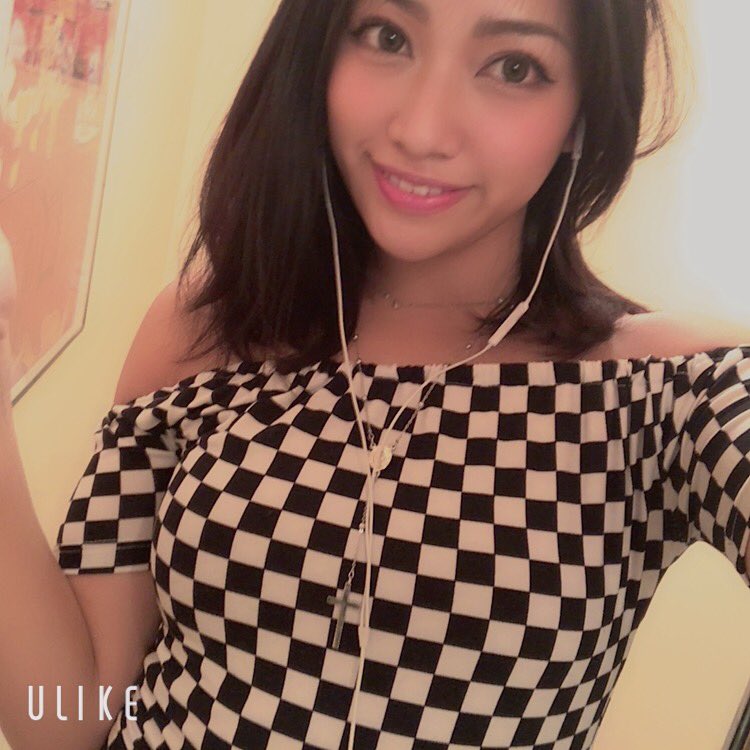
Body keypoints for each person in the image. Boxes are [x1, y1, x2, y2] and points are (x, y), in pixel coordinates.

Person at [1, 1, 749, 748]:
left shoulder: (668, 395)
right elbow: (72, 722)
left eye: (514, 67)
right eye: (388, 37)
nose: (421, 130)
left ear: (582, 115)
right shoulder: (202, 335)